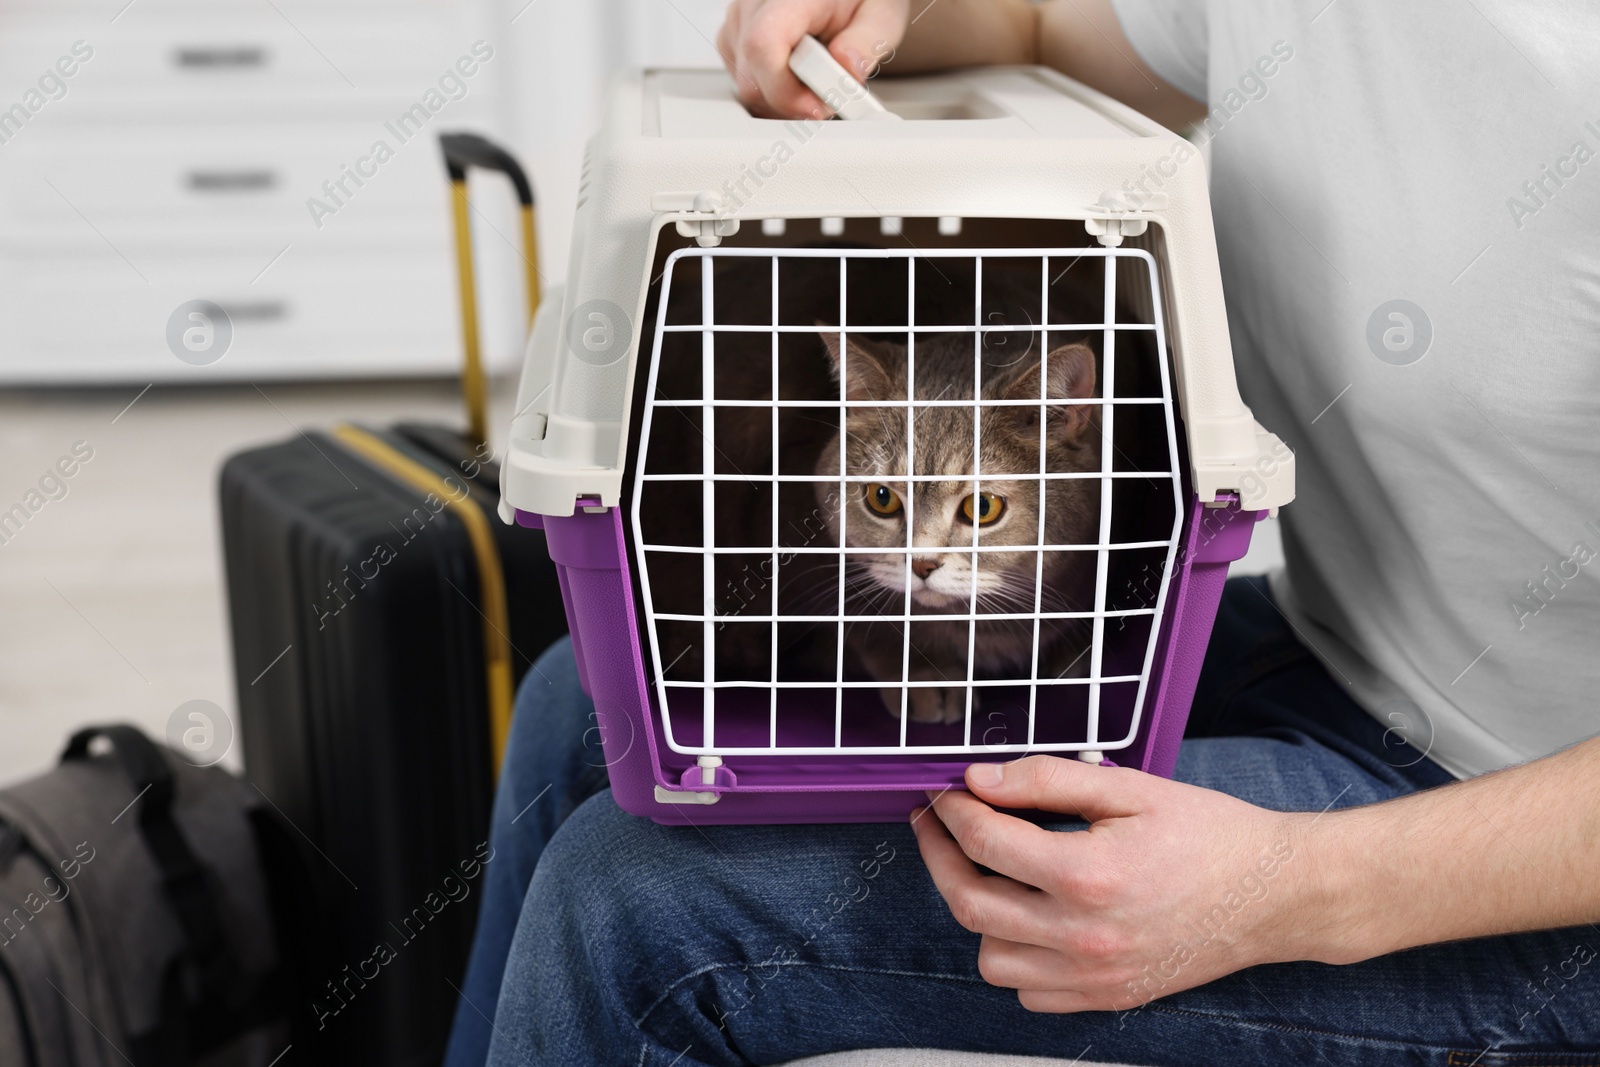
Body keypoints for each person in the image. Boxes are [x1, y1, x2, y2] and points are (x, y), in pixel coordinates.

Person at [445, 2, 1600, 1063]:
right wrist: (875, 13)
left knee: (632, 900)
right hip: (1338, 647)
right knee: (583, 700)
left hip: (1516, 852)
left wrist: (1292, 884)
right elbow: (1042, 21)